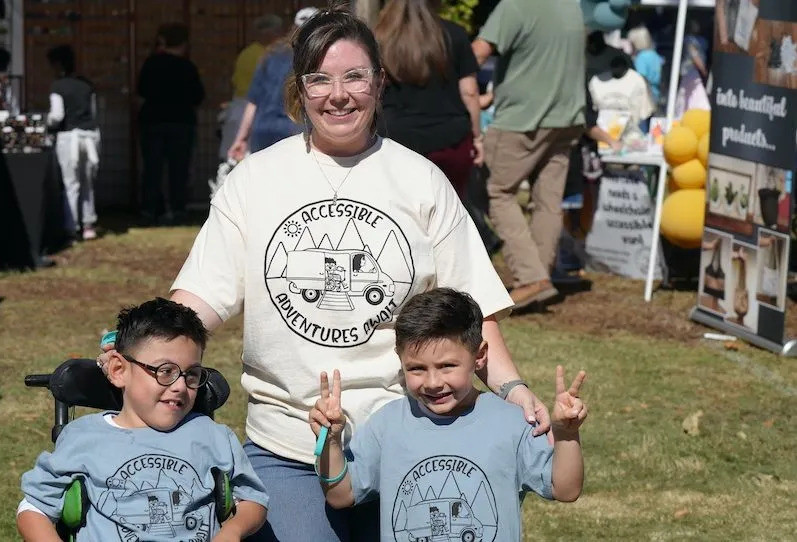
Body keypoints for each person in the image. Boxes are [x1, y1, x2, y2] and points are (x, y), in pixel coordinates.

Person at [98, 3, 549, 540]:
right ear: (300, 88)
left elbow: (475, 314)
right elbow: (199, 297)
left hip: (408, 437)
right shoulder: (256, 179)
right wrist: (137, 348)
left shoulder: (421, 180)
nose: (338, 94)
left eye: (355, 76)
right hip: (286, 445)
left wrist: (515, 389)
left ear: (380, 83)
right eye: (320, 79)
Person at [310, 288, 588, 541]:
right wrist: (331, 441)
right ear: (400, 359)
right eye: (417, 369)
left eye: (447, 366)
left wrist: (566, 434)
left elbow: (565, 489)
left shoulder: (510, 422)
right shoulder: (387, 425)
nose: (432, 382)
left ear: (479, 356)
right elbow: (341, 495)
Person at [17, 298, 269, 541]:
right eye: (165, 371)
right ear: (118, 370)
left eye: (191, 374)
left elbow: (252, 500)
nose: (180, 386)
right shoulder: (83, 437)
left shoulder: (213, 436)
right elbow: (34, 509)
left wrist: (232, 531)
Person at [471, 0, 586, 310]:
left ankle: (531, 278)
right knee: (548, 201)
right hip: (567, 116)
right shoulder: (570, 6)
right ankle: (541, 279)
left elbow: (475, 55)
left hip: (523, 120)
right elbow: (541, 61)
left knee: (496, 191)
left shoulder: (515, 6)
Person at [374, 0, 483, 199]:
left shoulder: (379, 39)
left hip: (396, 139)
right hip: (450, 140)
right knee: (448, 212)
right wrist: (477, 137)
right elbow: (470, 92)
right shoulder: (454, 34)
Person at [227, 8, 318, 160]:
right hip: (294, 129)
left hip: (262, 128)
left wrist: (241, 138)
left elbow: (253, 101)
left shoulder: (271, 53)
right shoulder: (314, 58)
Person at [137, 23, 205, 224]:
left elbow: (141, 90)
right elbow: (198, 96)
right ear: (184, 44)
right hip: (181, 122)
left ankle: (150, 209)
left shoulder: (151, 63)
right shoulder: (188, 67)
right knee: (179, 168)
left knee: (152, 168)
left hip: (153, 121)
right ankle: (178, 209)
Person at [46, 45, 100, 241]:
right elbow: (93, 113)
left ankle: (71, 226)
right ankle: (88, 224)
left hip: (69, 138)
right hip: (90, 136)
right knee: (88, 183)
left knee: (71, 184)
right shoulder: (87, 85)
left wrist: (46, 121)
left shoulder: (57, 86)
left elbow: (57, 115)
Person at [219, 14, 285, 161]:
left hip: (242, 108)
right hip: (257, 110)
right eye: (279, 32)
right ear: (270, 33)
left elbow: (236, 81)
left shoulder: (246, 53)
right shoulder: (272, 55)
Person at [627, 26, 664, 106]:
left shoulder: (641, 57)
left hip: (645, 97)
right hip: (656, 93)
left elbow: (641, 78)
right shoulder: (655, 55)